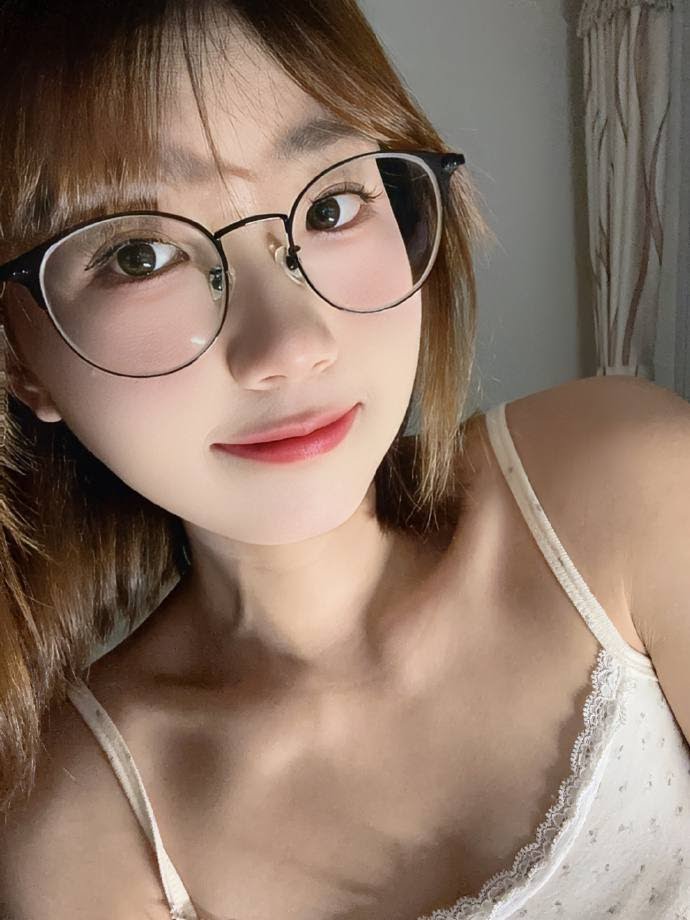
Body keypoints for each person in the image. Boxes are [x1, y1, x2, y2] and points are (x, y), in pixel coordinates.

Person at [0, 1, 688, 918]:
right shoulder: (84, 833)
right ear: (19, 359)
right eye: (140, 256)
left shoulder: (627, 483)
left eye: (329, 207)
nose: (290, 345)